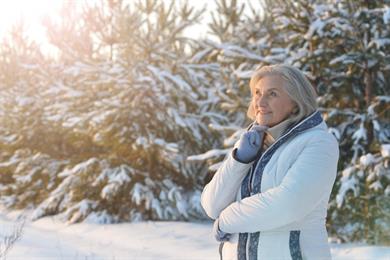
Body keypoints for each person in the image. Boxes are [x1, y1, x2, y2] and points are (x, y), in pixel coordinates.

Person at [200, 64, 339, 260]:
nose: (261, 102)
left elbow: (289, 204)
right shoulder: (252, 143)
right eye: (257, 93)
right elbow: (212, 205)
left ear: (295, 102)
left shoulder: (318, 142)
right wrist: (239, 160)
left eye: (272, 94)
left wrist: (226, 220)